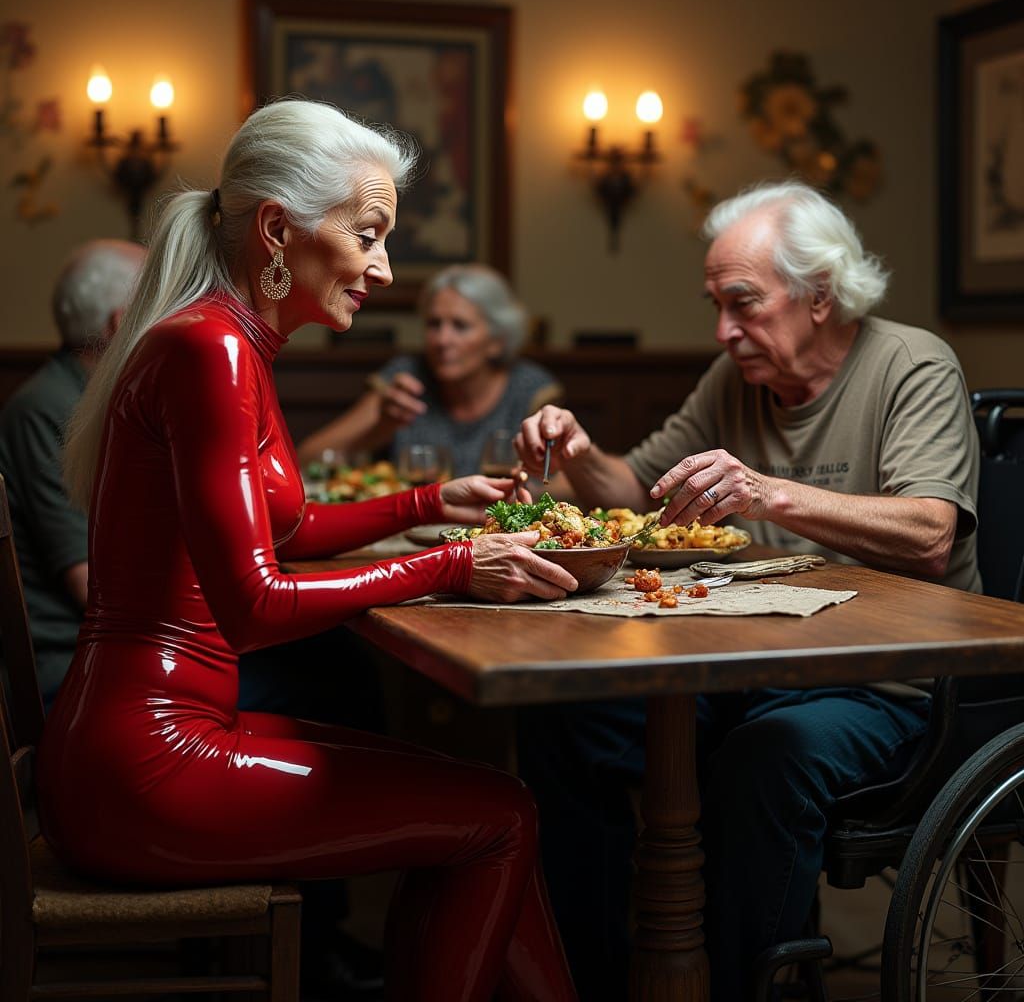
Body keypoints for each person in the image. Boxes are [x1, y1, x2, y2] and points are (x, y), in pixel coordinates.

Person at [37, 99, 579, 1002]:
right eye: (368, 235)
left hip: (150, 741)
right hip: (144, 767)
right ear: (279, 230)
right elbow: (254, 605)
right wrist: (448, 564)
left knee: (484, 799)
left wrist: (431, 503)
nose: (384, 266)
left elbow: (283, 532)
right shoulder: (210, 349)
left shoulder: (228, 338)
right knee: (502, 815)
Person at [514, 179, 981, 1001]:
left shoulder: (911, 363)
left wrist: (768, 492)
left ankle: (740, 988)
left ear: (820, 296)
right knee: (568, 718)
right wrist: (581, 451)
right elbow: (633, 490)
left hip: (886, 684)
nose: (724, 332)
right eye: (717, 306)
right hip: (747, 666)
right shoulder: (735, 379)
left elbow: (932, 534)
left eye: (744, 304)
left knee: (766, 759)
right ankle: (590, 979)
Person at [0, 239, 144, 709]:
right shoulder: (49, 408)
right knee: (326, 680)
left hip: (115, 653)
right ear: (122, 324)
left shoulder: (94, 401)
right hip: (75, 671)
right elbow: (93, 585)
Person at [297, 263, 562, 477]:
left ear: (496, 341)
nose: (442, 340)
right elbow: (308, 458)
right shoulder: (406, 379)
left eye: (460, 326)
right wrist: (380, 427)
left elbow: (565, 482)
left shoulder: (529, 388)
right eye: (434, 324)